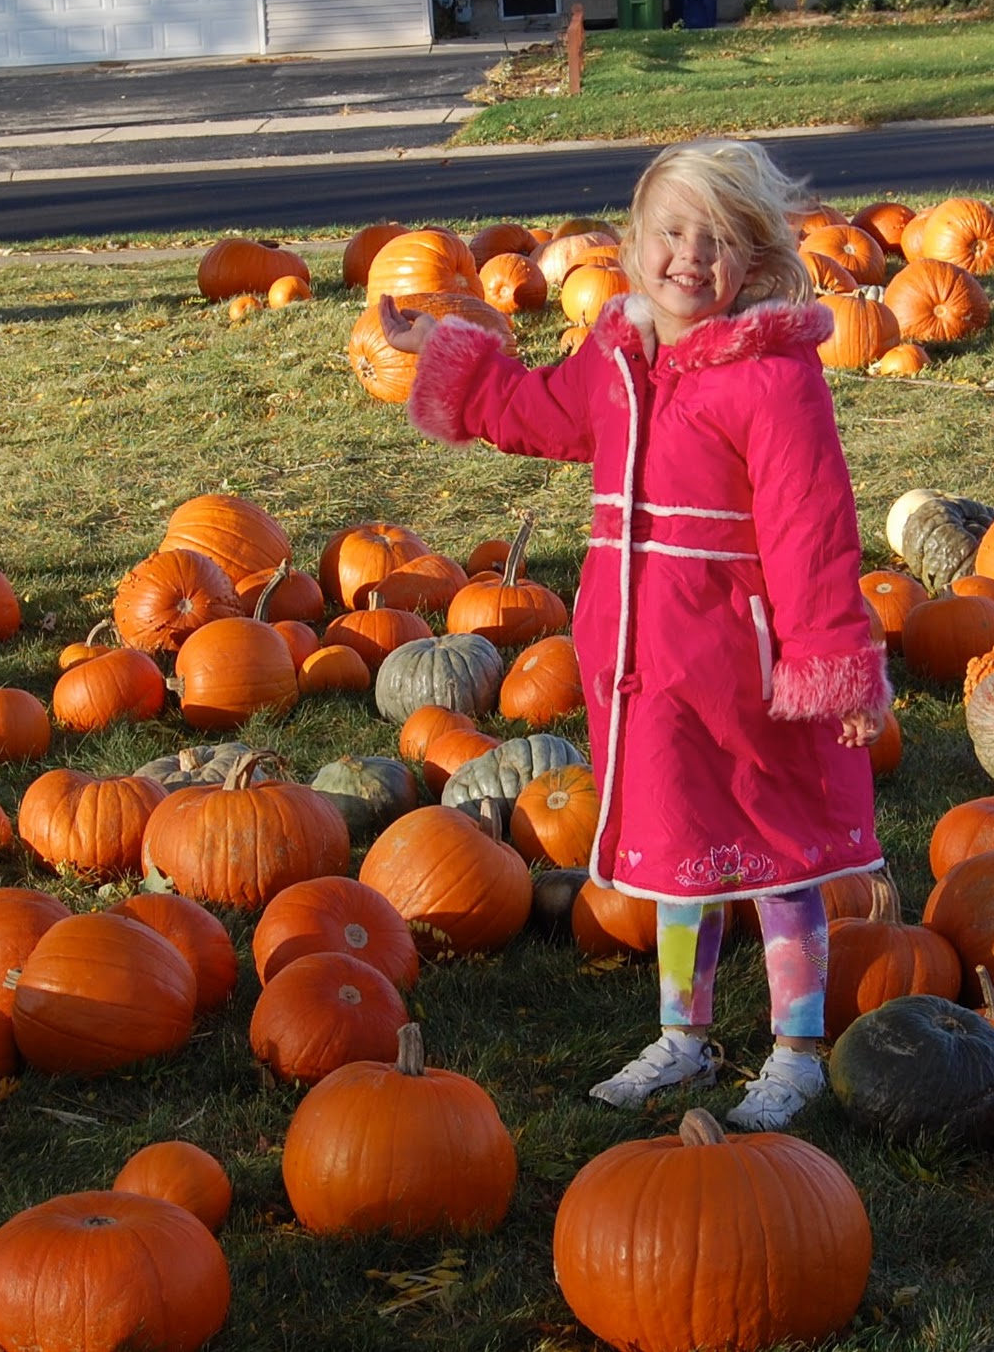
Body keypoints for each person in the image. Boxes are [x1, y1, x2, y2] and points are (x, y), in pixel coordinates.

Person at [378, 139, 890, 1132]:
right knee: (676, 844)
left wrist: (830, 666)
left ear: (748, 259)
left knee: (777, 851)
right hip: (642, 668)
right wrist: (435, 352)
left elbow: (809, 525)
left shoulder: (772, 377)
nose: (687, 256)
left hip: (743, 661)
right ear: (633, 240)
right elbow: (528, 409)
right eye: (668, 232)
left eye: (714, 239)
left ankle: (797, 1048)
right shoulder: (614, 357)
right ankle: (682, 1034)